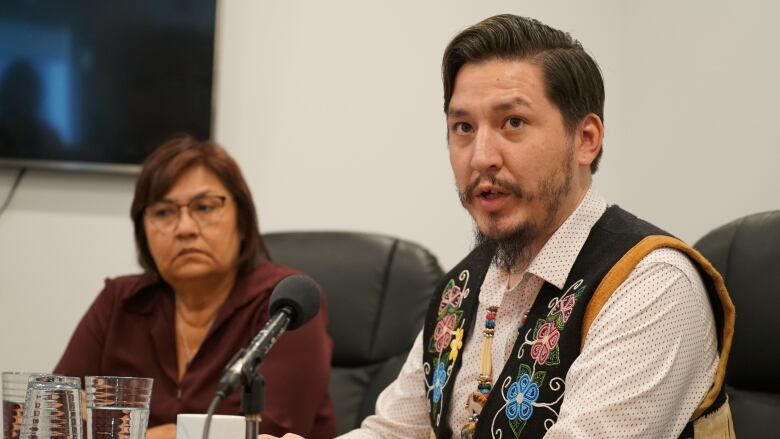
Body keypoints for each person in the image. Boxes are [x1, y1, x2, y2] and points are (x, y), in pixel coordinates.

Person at [265, 14, 736, 439]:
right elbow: (394, 432)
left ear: (585, 140)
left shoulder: (650, 284)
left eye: (513, 122)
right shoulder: (464, 285)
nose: (481, 157)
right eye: (463, 128)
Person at [54, 135, 336, 439]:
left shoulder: (285, 306)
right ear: (143, 231)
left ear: (242, 222)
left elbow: (264, 432)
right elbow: (53, 417)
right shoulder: (120, 302)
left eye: (204, 207)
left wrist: (113, 428)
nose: (185, 228)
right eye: (163, 212)